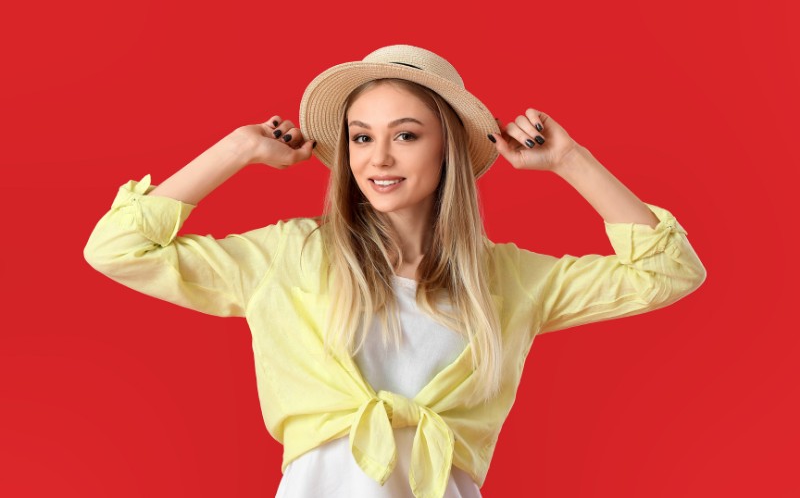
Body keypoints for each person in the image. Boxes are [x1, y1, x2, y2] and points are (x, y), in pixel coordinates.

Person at [83, 45, 707, 498]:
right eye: (360, 137)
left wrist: (571, 159)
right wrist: (238, 149)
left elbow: (671, 270)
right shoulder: (290, 257)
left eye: (405, 136)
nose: (377, 158)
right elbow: (117, 248)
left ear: (448, 148)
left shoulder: (506, 280)